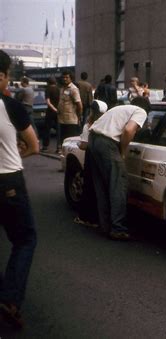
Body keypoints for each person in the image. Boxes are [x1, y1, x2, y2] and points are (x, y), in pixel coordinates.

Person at [0, 49, 39, 329]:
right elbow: (35, 146)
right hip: (8, 181)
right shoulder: (9, 106)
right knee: (25, 239)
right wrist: (15, 155)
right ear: (1, 76)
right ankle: (10, 299)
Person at [88, 96, 150, 240]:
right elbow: (129, 131)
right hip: (107, 144)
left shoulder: (120, 108)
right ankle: (118, 228)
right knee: (118, 185)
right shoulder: (141, 111)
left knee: (102, 186)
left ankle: (105, 226)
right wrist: (122, 151)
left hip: (93, 140)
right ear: (146, 109)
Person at [73, 99, 108, 227]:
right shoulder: (108, 124)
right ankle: (101, 218)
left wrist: (78, 143)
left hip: (91, 158)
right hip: (103, 157)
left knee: (89, 187)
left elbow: (83, 146)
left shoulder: (88, 125)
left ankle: (87, 218)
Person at [57, 70, 82, 152]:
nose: (65, 79)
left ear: (71, 78)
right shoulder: (62, 88)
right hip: (62, 119)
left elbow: (79, 105)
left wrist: (79, 117)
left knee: (71, 141)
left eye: (67, 77)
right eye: (63, 77)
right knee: (64, 140)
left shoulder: (74, 89)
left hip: (71, 120)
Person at [41, 77, 60, 152]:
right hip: (58, 111)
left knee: (47, 129)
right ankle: (59, 147)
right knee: (58, 129)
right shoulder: (59, 89)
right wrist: (57, 110)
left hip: (50, 111)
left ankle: (45, 146)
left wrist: (53, 109)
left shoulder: (48, 89)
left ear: (48, 83)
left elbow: (48, 102)